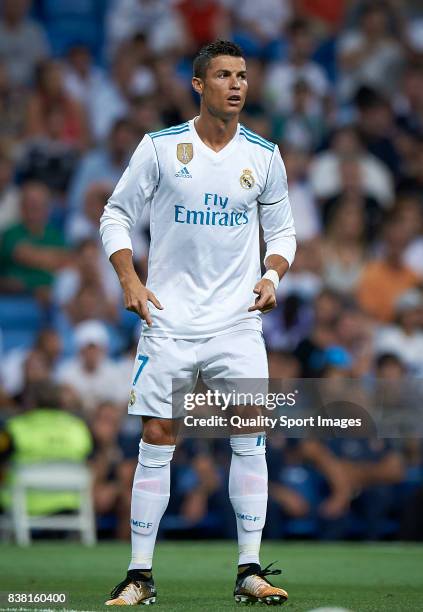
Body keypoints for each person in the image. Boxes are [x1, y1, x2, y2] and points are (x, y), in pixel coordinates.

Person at [100, 40, 296, 606]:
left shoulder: (264, 155)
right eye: (223, 76)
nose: (236, 85)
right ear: (198, 84)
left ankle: (249, 571)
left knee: (249, 436)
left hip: (237, 322)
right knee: (158, 437)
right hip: (168, 319)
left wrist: (272, 275)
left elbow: (282, 232)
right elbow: (115, 214)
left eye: (242, 76)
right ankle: (140, 575)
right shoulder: (161, 148)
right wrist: (130, 281)